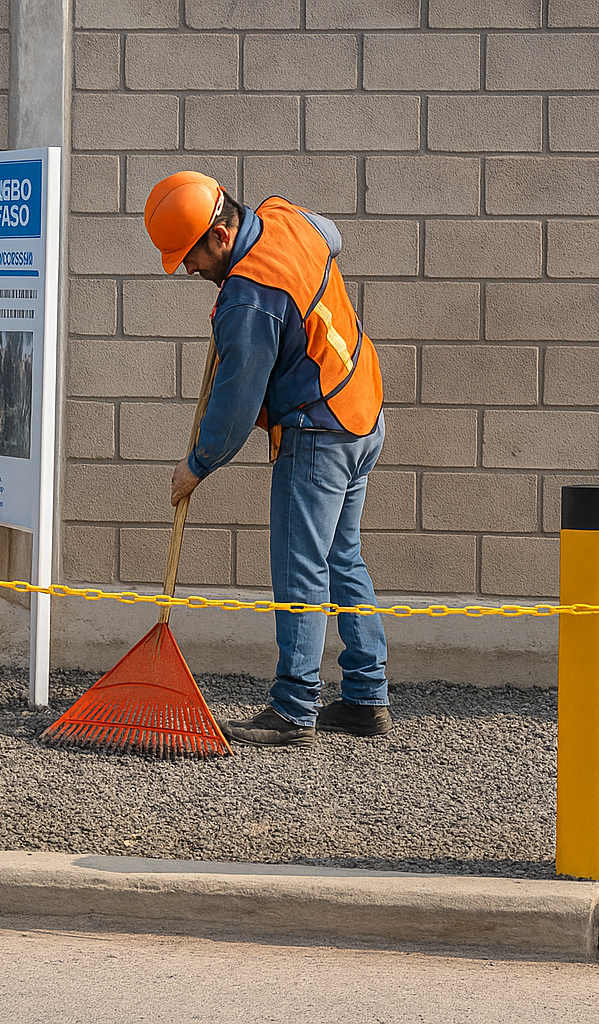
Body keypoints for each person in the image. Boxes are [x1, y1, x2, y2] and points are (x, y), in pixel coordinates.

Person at [142, 171, 391, 748]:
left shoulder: (249, 299)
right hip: (362, 410)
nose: (189, 270)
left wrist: (196, 466)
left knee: (300, 569)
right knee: (340, 555)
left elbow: (234, 408)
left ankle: (294, 707)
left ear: (220, 236)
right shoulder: (286, 216)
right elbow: (333, 237)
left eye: (190, 257)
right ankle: (364, 695)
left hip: (319, 433)